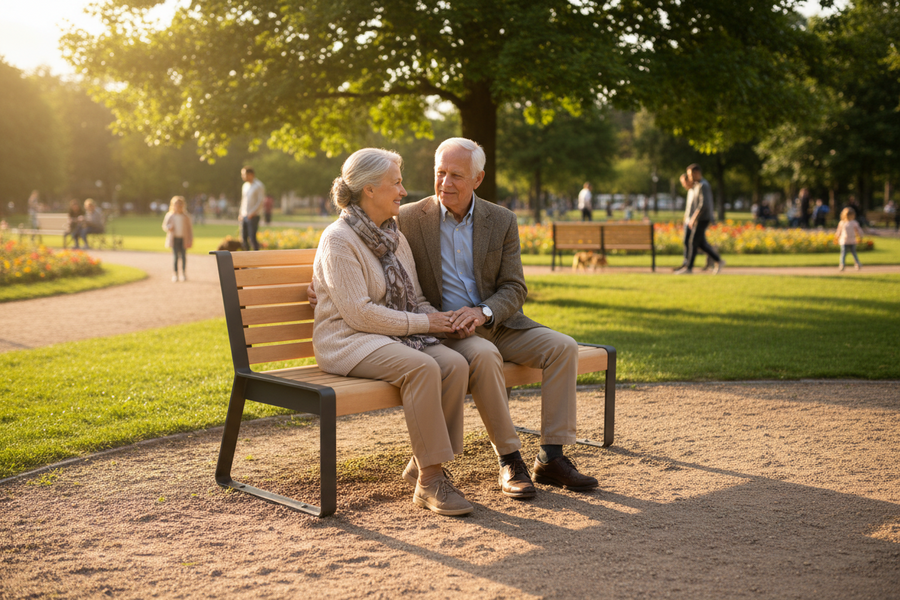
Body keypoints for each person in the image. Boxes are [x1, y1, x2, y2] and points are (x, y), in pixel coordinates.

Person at [398, 137, 599, 498]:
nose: (445, 183)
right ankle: (510, 460)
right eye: (440, 173)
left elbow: (514, 287)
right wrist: (320, 280)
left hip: (499, 323)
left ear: (478, 178)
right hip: (448, 330)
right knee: (486, 356)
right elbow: (356, 235)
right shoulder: (410, 218)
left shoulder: (501, 219)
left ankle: (551, 458)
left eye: (456, 175)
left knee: (563, 347)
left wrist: (483, 312)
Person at [312, 148, 473, 516]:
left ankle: (423, 458)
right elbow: (359, 315)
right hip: (347, 341)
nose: (403, 191)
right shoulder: (338, 239)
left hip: (391, 336)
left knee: (453, 364)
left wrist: (443, 319)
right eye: (396, 183)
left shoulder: (395, 237)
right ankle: (430, 481)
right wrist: (426, 323)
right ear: (369, 190)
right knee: (421, 368)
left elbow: (414, 299)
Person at [675, 164, 724, 275]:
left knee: (693, 242)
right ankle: (718, 260)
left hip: (703, 218)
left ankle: (689, 268)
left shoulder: (703, 185)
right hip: (699, 218)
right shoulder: (698, 185)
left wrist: (693, 218)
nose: (690, 178)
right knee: (700, 243)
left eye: (691, 175)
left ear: (697, 173)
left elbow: (704, 205)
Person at [162, 196, 193, 282]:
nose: (178, 206)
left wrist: (190, 239)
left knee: (183, 256)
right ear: (173, 205)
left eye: (180, 204)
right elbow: (165, 226)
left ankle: (183, 273)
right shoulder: (170, 215)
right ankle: (175, 274)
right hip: (174, 239)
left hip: (184, 239)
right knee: (175, 257)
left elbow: (190, 229)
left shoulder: (185, 216)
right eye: (176, 204)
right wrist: (169, 227)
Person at [239, 167, 265, 250]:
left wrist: (252, 213)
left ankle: (256, 259)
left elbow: (260, 201)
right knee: (244, 238)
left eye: (244, 174)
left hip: (253, 216)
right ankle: (246, 259)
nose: (242, 176)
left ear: (251, 175)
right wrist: (241, 213)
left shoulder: (258, 186)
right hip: (244, 215)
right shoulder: (245, 186)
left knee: (252, 238)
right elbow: (243, 200)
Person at [835, 207, 863, 271]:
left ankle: (857, 263)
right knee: (843, 254)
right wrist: (836, 237)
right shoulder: (842, 223)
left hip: (852, 241)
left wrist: (860, 236)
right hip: (844, 241)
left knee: (854, 253)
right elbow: (839, 231)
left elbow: (858, 230)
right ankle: (842, 264)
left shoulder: (854, 223)